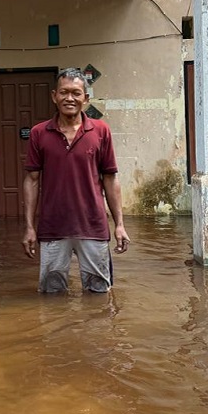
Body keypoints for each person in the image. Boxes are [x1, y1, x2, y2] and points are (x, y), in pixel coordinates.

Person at [22, 68, 129, 293]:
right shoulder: (39, 133)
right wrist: (30, 227)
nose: (69, 98)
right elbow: (32, 180)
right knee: (52, 294)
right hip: (53, 228)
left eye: (76, 93)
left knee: (98, 293)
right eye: (63, 92)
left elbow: (110, 178)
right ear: (54, 96)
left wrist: (119, 224)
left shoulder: (101, 131)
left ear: (85, 98)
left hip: (93, 226)